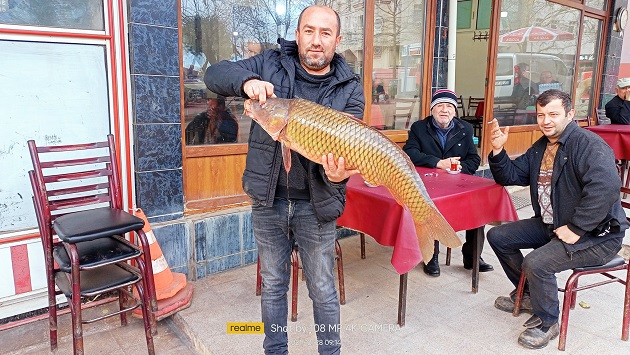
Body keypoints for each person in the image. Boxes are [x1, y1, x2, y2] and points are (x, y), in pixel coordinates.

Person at [204, 5, 364, 355]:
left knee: (322, 287)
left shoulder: (351, 88)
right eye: (309, 31)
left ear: (337, 40)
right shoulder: (269, 63)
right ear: (298, 35)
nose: (316, 41)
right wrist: (247, 82)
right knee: (274, 284)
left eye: (325, 33)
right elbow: (214, 74)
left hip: (317, 204)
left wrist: (338, 174)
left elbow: (347, 155)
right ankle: (275, 350)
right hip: (268, 199)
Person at [486, 89, 627, 349]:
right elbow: (512, 175)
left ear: (570, 114)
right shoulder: (542, 146)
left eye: (553, 114)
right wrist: (498, 151)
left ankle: (548, 320)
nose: (546, 121)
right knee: (498, 236)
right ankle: (528, 294)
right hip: (554, 223)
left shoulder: (588, 144)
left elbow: (606, 188)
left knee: (537, 262)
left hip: (597, 235)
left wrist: (577, 227)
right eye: (541, 115)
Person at [402, 89, 492, 277]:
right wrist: (437, 163)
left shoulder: (465, 128)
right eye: (440, 106)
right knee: (430, 207)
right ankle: (431, 256)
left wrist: (459, 168)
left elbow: (473, 159)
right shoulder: (419, 127)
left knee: (478, 207)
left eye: (449, 106)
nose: (445, 110)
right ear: (432, 109)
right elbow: (409, 153)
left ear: (454, 111)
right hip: (428, 185)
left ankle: (472, 257)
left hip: (457, 183)